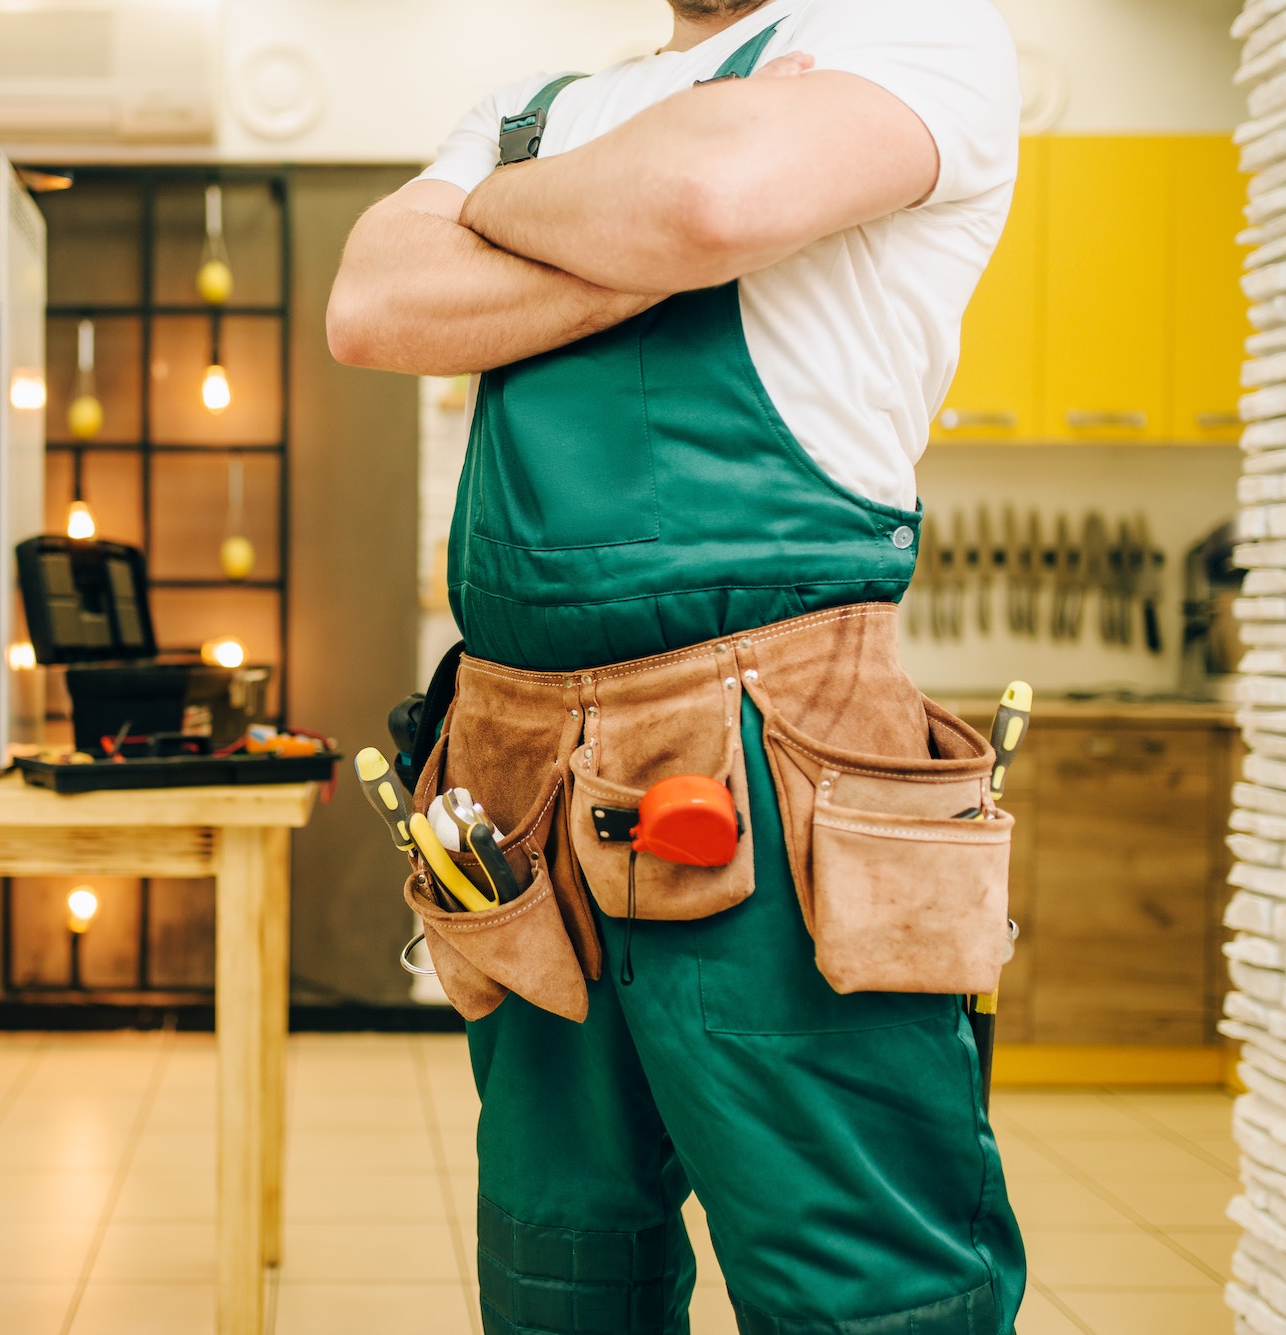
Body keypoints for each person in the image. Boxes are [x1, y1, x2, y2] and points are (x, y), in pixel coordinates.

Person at [327, 2, 1028, 1333]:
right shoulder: (527, 106)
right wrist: (662, 226)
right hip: (515, 770)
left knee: (860, 1281)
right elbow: (372, 303)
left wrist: (515, 216)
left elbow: (706, 200)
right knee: (561, 1262)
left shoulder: (919, 30)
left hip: (778, 749)